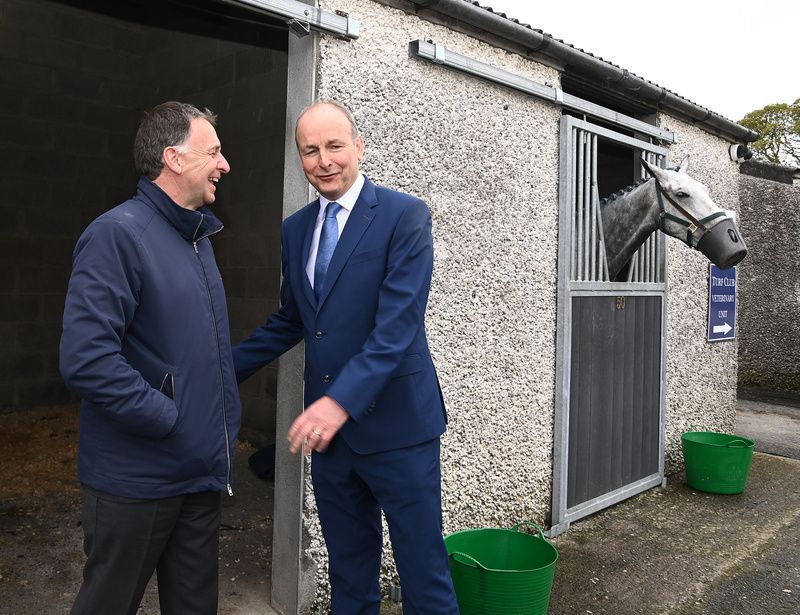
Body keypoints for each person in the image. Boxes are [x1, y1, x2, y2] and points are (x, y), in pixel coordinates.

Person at [233, 100, 459, 614]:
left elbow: (396, 328)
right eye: (310, 151)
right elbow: (294, 317)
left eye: (334, 145)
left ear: (358, 146)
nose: (323, 160)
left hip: (398, 429)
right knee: (349, 578)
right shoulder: (296, 229)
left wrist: (337, 402)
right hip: (332, 443)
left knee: (424, 576)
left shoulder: (404, 215)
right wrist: (225, 368)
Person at [59, 101, 241, 615]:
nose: (225, 164)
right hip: (136, 481)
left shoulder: (197, 238)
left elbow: (196, 351)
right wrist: (168, 417)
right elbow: (86, 359)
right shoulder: (118, 235)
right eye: (215, 152)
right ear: (174, 159)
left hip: (199, 474)